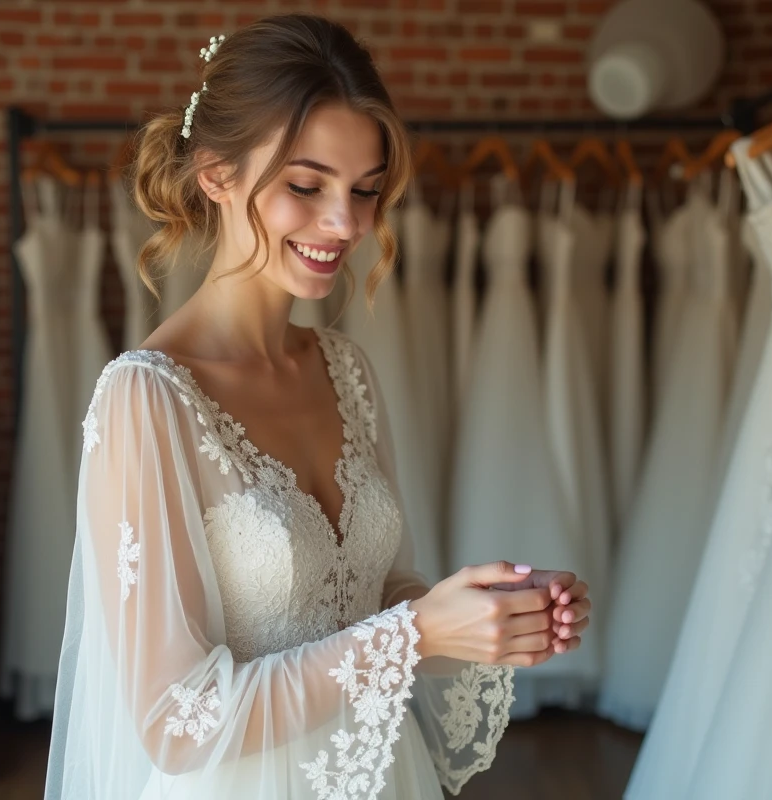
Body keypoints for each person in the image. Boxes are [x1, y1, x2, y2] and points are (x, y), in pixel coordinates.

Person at [44, 14, 591, 800]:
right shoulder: (147, 399)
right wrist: (414, 633)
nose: (347, 224)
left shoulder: (346, 371)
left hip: (380, 771)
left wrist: (487, 615)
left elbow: (374, 600)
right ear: (215, 173)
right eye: (306, 186)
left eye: (366, 190)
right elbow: (175, 723)